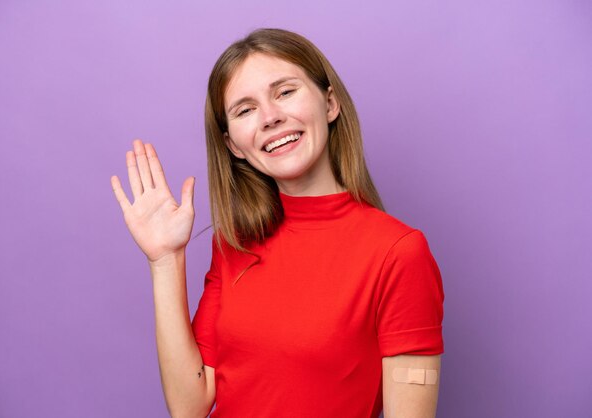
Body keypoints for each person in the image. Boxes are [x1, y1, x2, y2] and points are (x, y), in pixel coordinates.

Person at [111, 28, 444, 418]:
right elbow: (190, 405)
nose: (270, 118)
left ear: (330, 102)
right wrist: (165, 260)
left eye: (285, 92)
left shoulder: (398, 253)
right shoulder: (234, 244)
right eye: (245, 109)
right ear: (234, 144)